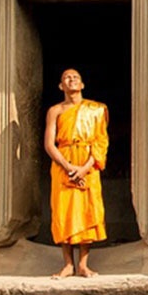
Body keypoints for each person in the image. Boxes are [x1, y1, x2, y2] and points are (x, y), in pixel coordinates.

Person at [44, 68, 108, 277]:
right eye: (66, 78)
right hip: (63, 163)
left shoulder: (96, 110)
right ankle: (67, 265)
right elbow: (49, 144)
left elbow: (100, 142)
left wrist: (84, 168)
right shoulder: (55, 111)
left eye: (76, 77)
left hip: (88, 165)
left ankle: (83, 265)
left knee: (87, 212)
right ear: (61, 86)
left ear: (82, 85)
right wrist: (68, 166)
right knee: (64, 212)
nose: (71, 80)